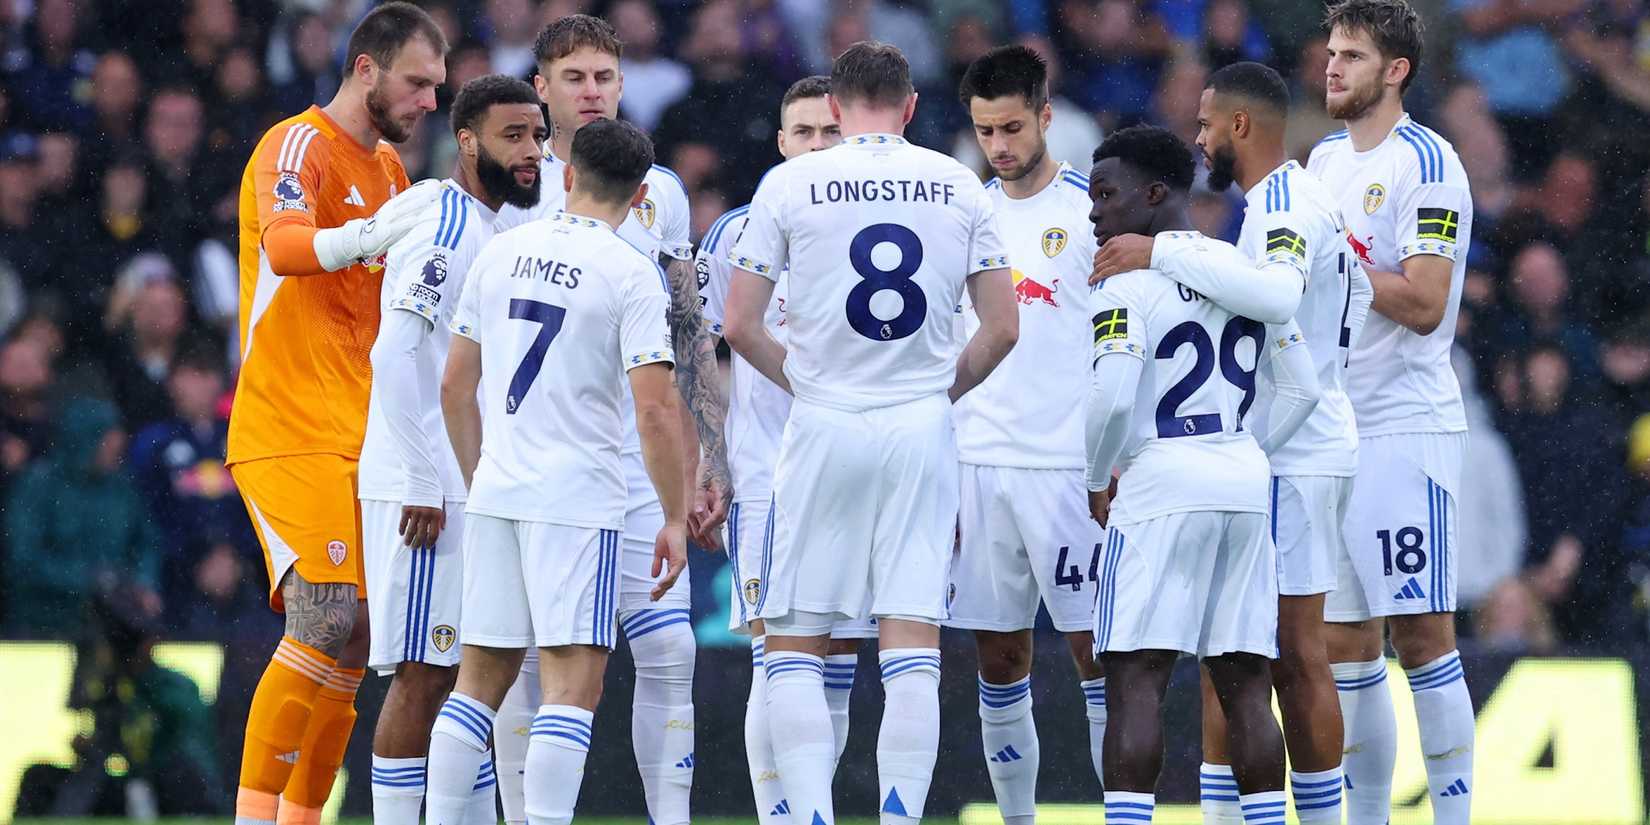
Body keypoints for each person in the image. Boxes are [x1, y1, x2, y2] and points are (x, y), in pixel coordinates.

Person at [724, 41, 1019, 825]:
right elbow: (1003, 326)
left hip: (824, 421)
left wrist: (811, 385)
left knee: (792, 637)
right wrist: (934, 389)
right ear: (912, 105)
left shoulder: (789, 183)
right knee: (911, 639)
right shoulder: (959, 183)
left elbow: (739, 324)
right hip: (920, 425)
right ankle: (897, 817)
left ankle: (812, 814)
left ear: (838, 108)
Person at [1092, 61, 1375, 823]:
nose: (1198, 137)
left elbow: (1281, 297)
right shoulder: (1288, 199)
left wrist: (1161, 252)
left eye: (1206, 123)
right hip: (1284, 447)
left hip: (1301, 449)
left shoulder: (1280, 202)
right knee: (1243, 658)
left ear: (1240, 127)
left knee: (1292, 654)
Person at [489, 18, 728, 825]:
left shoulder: (654, 189)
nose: (593, 91)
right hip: (536, 464)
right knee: (523, 660)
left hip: (635, 460)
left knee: (670, 647)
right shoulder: (510, 186)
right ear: (541, 89)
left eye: (606, 77)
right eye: (576, 77)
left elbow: (687, 329)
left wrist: (703, 458)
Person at [426, 116, 689, 825]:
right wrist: (672, 512)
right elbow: (657, 410)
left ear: (566, 177)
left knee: (476, 684)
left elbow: (455, 384)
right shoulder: (630, 272)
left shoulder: (503, 252)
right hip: (578, 501)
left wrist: (483, 473)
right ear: (640, 199)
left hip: (498, 491)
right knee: (573, 686)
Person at [224, 5, 448, 824]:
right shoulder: (296, 146)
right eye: (417, 82)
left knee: (359, 638)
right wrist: (368, 234)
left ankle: (302, 815)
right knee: (327, 613)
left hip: (365, 430)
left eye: (436, 86)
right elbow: (286, 248)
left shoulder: (390, 170)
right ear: (365, 68)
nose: (429, 100)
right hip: (288, 423)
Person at [1082, 124, 1310, 825]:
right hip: (1241, 476)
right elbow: (1300, 389)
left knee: (1137, 675)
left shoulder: (1127, 279)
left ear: (1154, 195)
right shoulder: (1239, 270)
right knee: (1245, 679)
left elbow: (1115, 396)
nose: (1094, 212)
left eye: (1106, 195)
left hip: (1158, 480)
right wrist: (1243, 449)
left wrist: (1099, 476)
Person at [357, 74, 547, 825]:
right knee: (424, 674)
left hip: (470, 483)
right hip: (425, 488)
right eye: (513, 136)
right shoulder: (444, 227)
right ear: (466, 141)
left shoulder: (499, 230)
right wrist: (421, 477)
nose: (531, 151)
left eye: (537, 136)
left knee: (472, 674)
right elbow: (394, 354)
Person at [1308, 1, 1477, 821]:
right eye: (1331, 52)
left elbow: (1423, 300)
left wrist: (1333, 261)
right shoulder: (1321, 162)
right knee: (1345, 644)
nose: (1332, 67)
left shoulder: (1429, 165)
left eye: (1351, 55)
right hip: (1333, 430)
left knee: (1421, 636)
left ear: (1396, 70)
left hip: (1404, 429)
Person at [695, 75, 878, 824]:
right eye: (801, 133)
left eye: (828, 133)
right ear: (779, 143)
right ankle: (787, 817)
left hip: (859, 472)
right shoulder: (735, 232)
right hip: (768, 474)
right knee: (778, 658)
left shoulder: (879, 224)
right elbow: (699, 352)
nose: (815, 146)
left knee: (835, 666)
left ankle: (809, 808)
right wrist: (710, 459)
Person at [943, 45, 1109, 820]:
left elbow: (1119, 348)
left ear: (1046, 117)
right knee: (998, 655)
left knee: (1098, 657)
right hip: (978, 463)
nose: (1000, 146)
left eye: (1013, 127)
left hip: (1069, 469)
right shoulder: (960, 215)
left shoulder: (1090, 213)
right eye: (986, 131)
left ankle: (1126, 809)